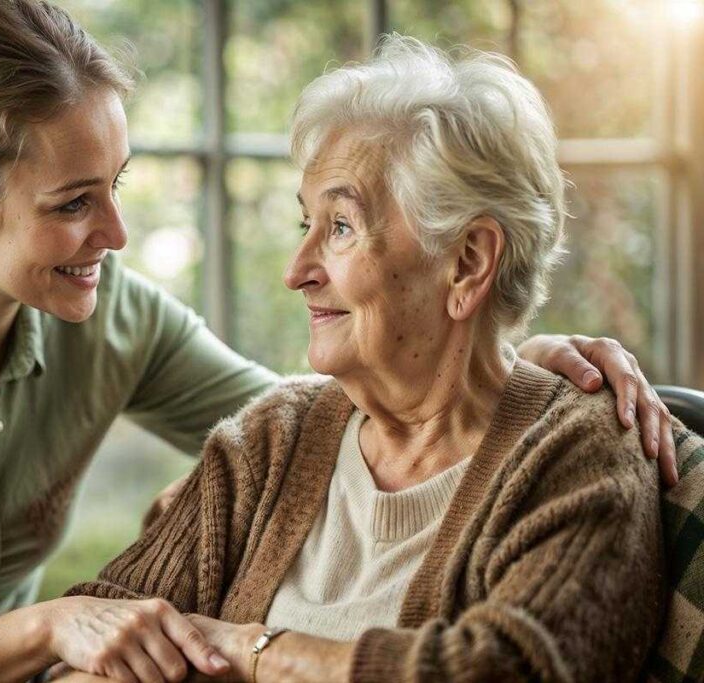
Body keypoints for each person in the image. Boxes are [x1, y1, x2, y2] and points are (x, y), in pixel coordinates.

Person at [0, 2, 674, 682]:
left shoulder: (117, 319)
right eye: (75, 202)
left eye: (116, 184)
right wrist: (52, 624)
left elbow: (338, 412)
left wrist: (511, 349)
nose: (116, 232)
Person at [61, 36, 700, 683]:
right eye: (303, 224)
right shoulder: (272, 437)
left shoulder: (578, 455)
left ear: (469, 262)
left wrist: (252, 650)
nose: (296, 271)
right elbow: (91, 640)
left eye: (340, 226)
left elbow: (510, 669)